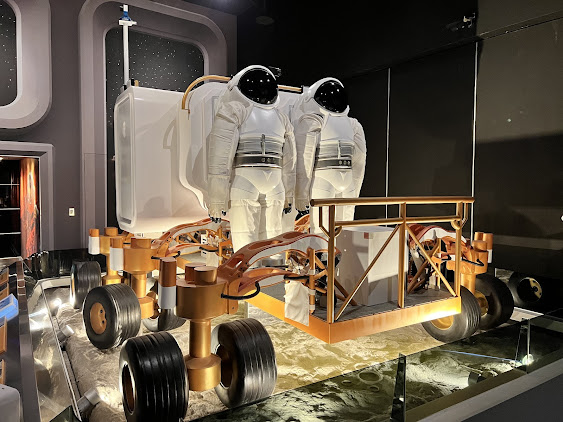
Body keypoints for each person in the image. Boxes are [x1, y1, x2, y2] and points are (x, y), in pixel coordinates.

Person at [206, 65, 296, 252]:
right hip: (276, 184)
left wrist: (217, 201)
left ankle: (250, 271)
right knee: (273, 242)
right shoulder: (281, 118)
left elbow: (220, 159)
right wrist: (289, 196)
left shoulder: (233, 111)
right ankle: (271, 270)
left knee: (245, 244)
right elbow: (290, 163)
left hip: (245, 182)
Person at [293, 77, 367, 234]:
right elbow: (360, 161)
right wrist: (355, 193)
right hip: (347, 182)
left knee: (321, 232)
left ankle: (321, 251)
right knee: (346, 231)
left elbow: (305, 160)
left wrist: (301, 196)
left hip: (322, 180)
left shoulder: (313, 120)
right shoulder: (353, 124)